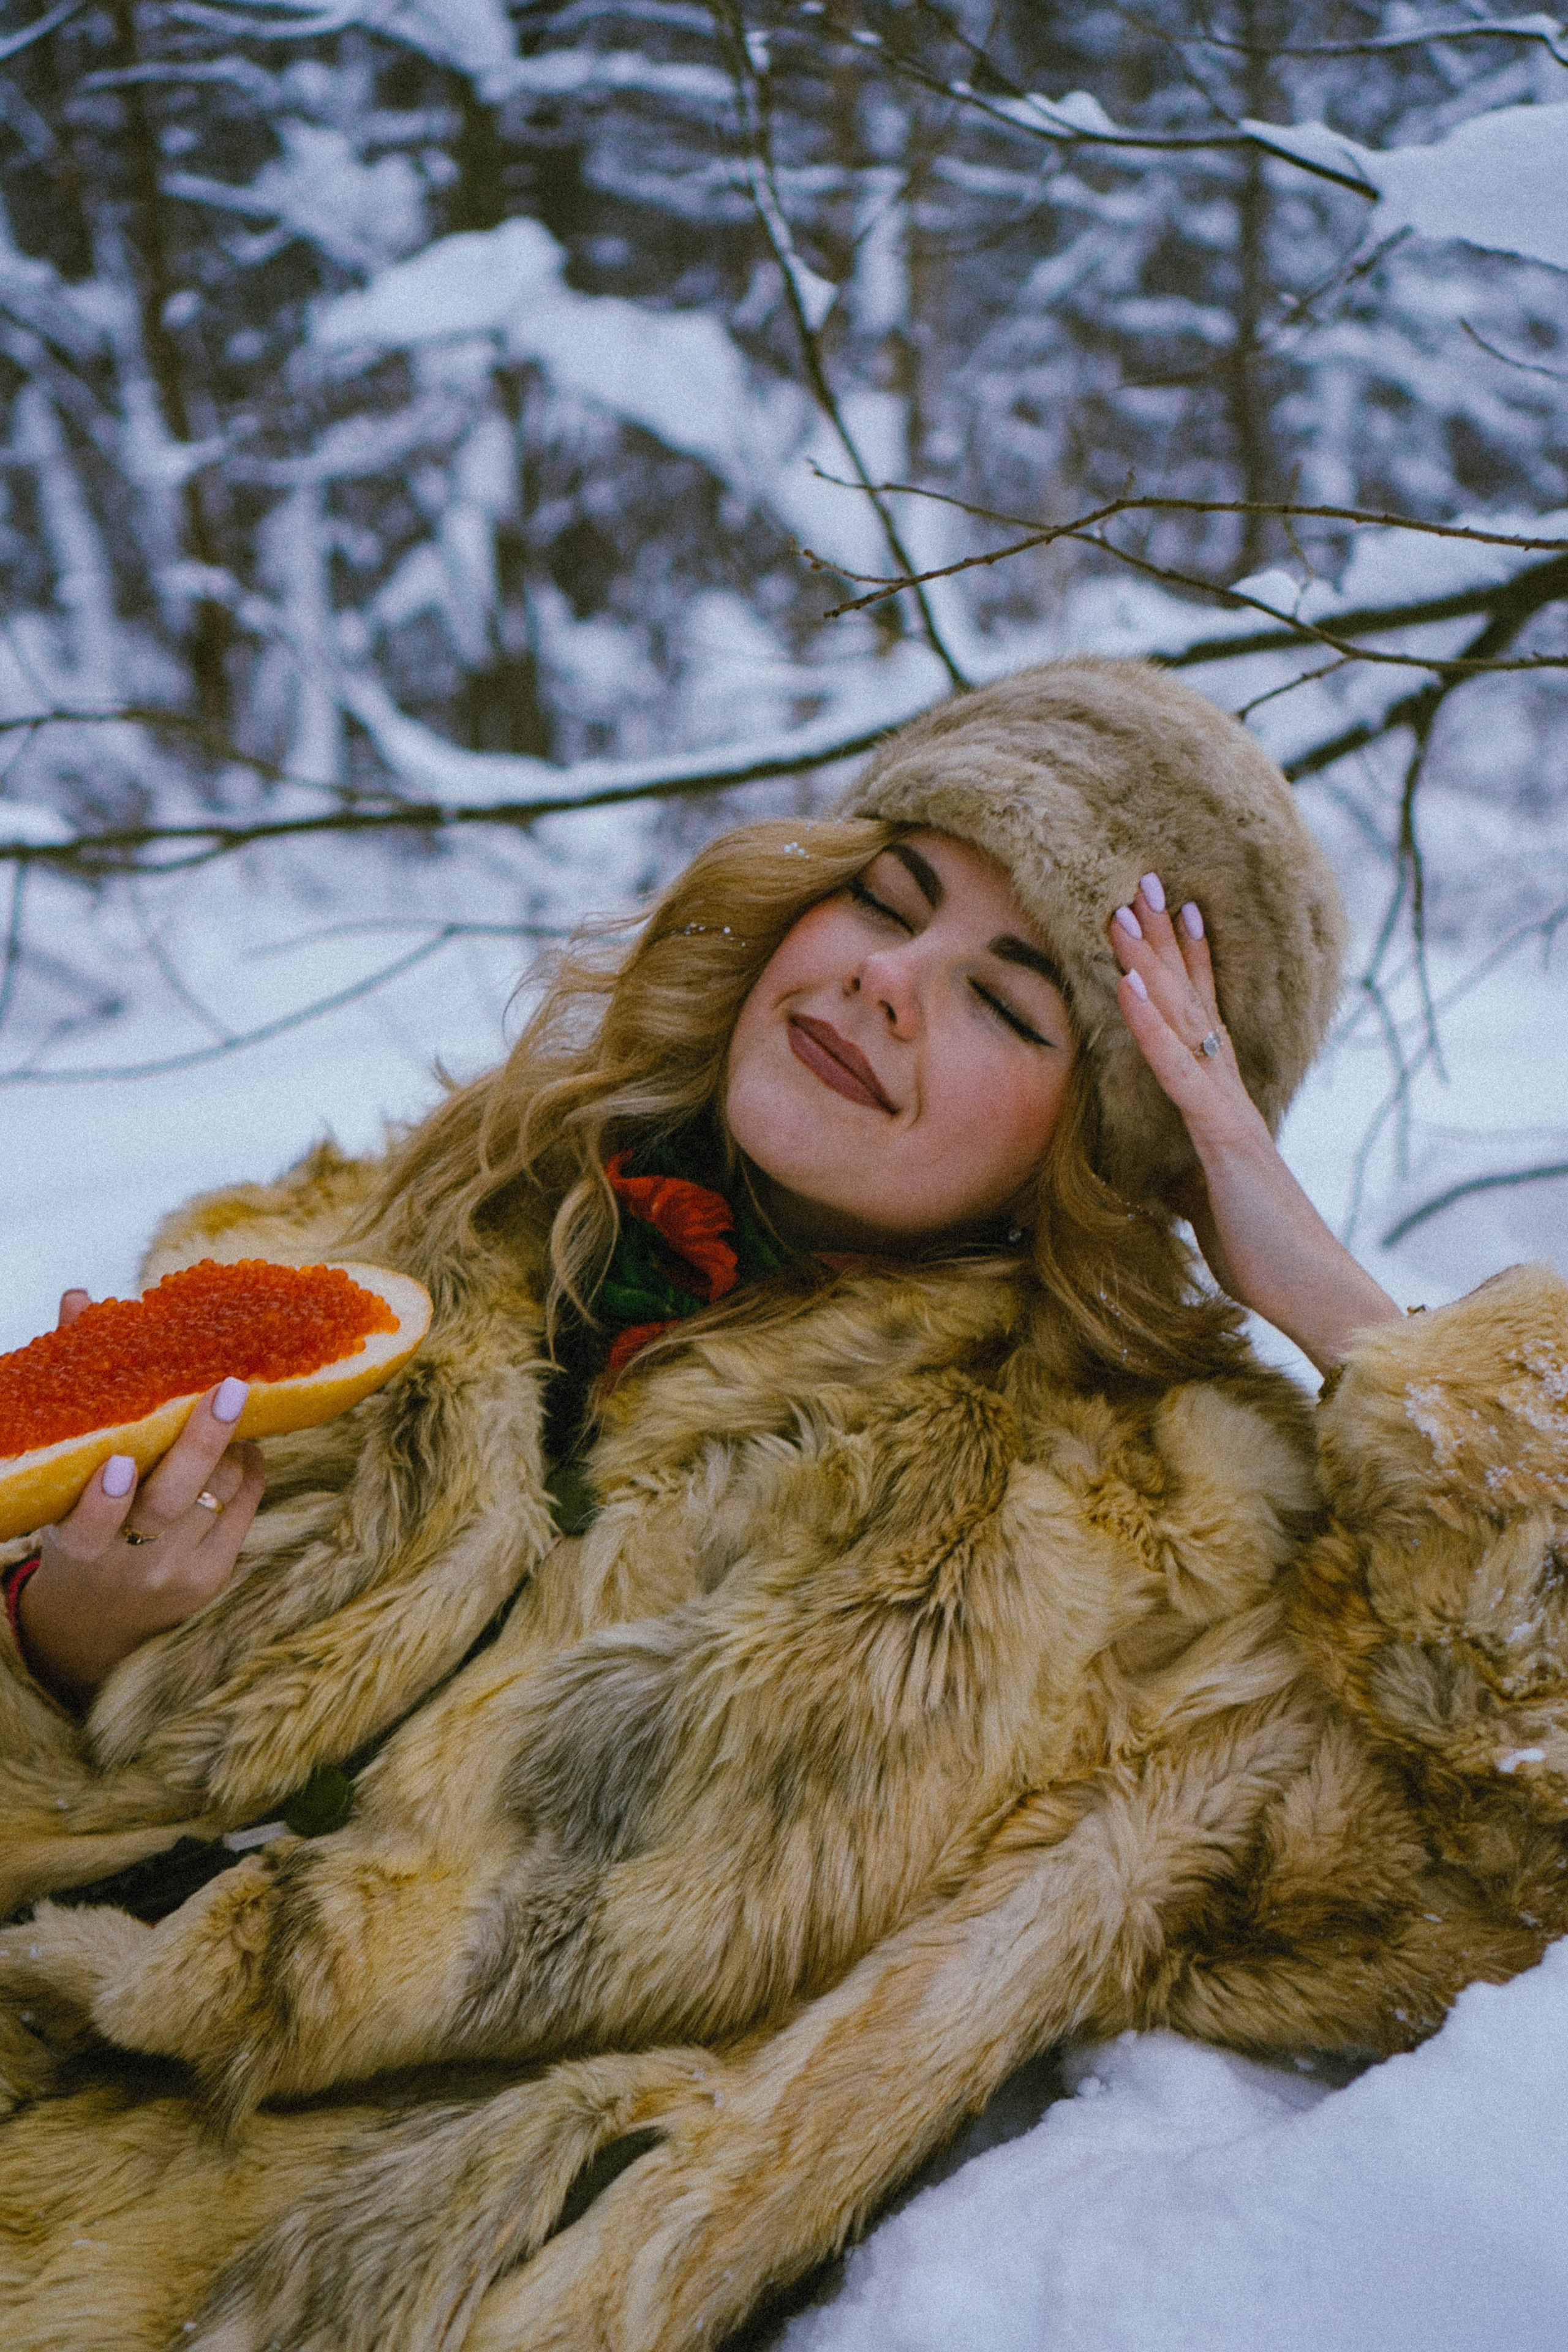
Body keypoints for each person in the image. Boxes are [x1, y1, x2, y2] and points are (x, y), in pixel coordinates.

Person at [0, 657, 1564, 2352]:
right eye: (887, 900)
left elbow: (1506, 1854)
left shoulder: (1144, 1533)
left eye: (1009, 1003)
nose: (888, 980)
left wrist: (1347, 1315)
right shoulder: (394, 1228)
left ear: (1113, 1142)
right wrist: (53, 1654)